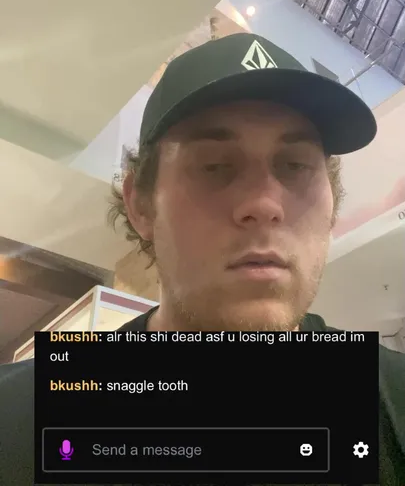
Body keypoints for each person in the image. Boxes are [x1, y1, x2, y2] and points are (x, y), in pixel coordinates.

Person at [0, 33, 404, 485]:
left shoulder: (394, 401)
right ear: (140, 204)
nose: (264, 203)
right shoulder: (17, 421)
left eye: (295, 165)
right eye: (215, 165)